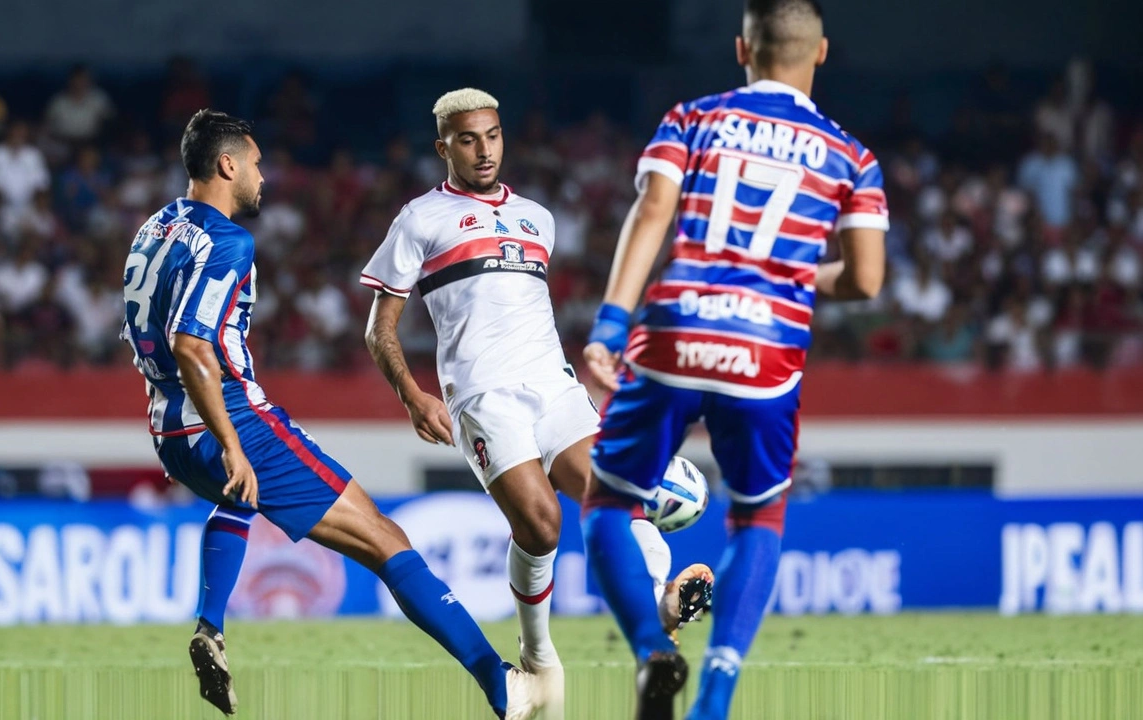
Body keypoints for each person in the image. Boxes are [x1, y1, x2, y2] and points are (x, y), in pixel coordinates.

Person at [121, 109, 540, 719]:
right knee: (386, 540)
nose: (264, 177)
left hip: (167, 429)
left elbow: (151, 334)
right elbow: (191, 344)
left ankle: (210, 625)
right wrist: (232, 440)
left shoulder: (153, 228)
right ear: (227, 164)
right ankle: (503, 686)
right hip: (231, 421)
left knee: (238, 499)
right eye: (258, 164)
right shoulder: (227, 240)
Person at [358, 88, 714, 720]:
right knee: (543, 522)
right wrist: (413, 395)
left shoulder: (537, 219)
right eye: (467, 139)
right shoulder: (420, 220)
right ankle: (539, 660)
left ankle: (659, 608)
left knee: (616, 498)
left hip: (555, 388)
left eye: (492, 135)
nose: (483, 149)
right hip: (482, 397)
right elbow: (380, 327)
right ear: (444, 147)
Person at [580, 1, 889, 718]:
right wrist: (783, 271)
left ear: (742, 48)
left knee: (610, 505)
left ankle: (655, 654)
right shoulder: (852, 155)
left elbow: (653, 211)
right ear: (820, 54)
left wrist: (609, 324)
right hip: (766, 350)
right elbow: (867, 280)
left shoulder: (692, 117)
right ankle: (715, 693)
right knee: (758, 520)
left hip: (673, 331)